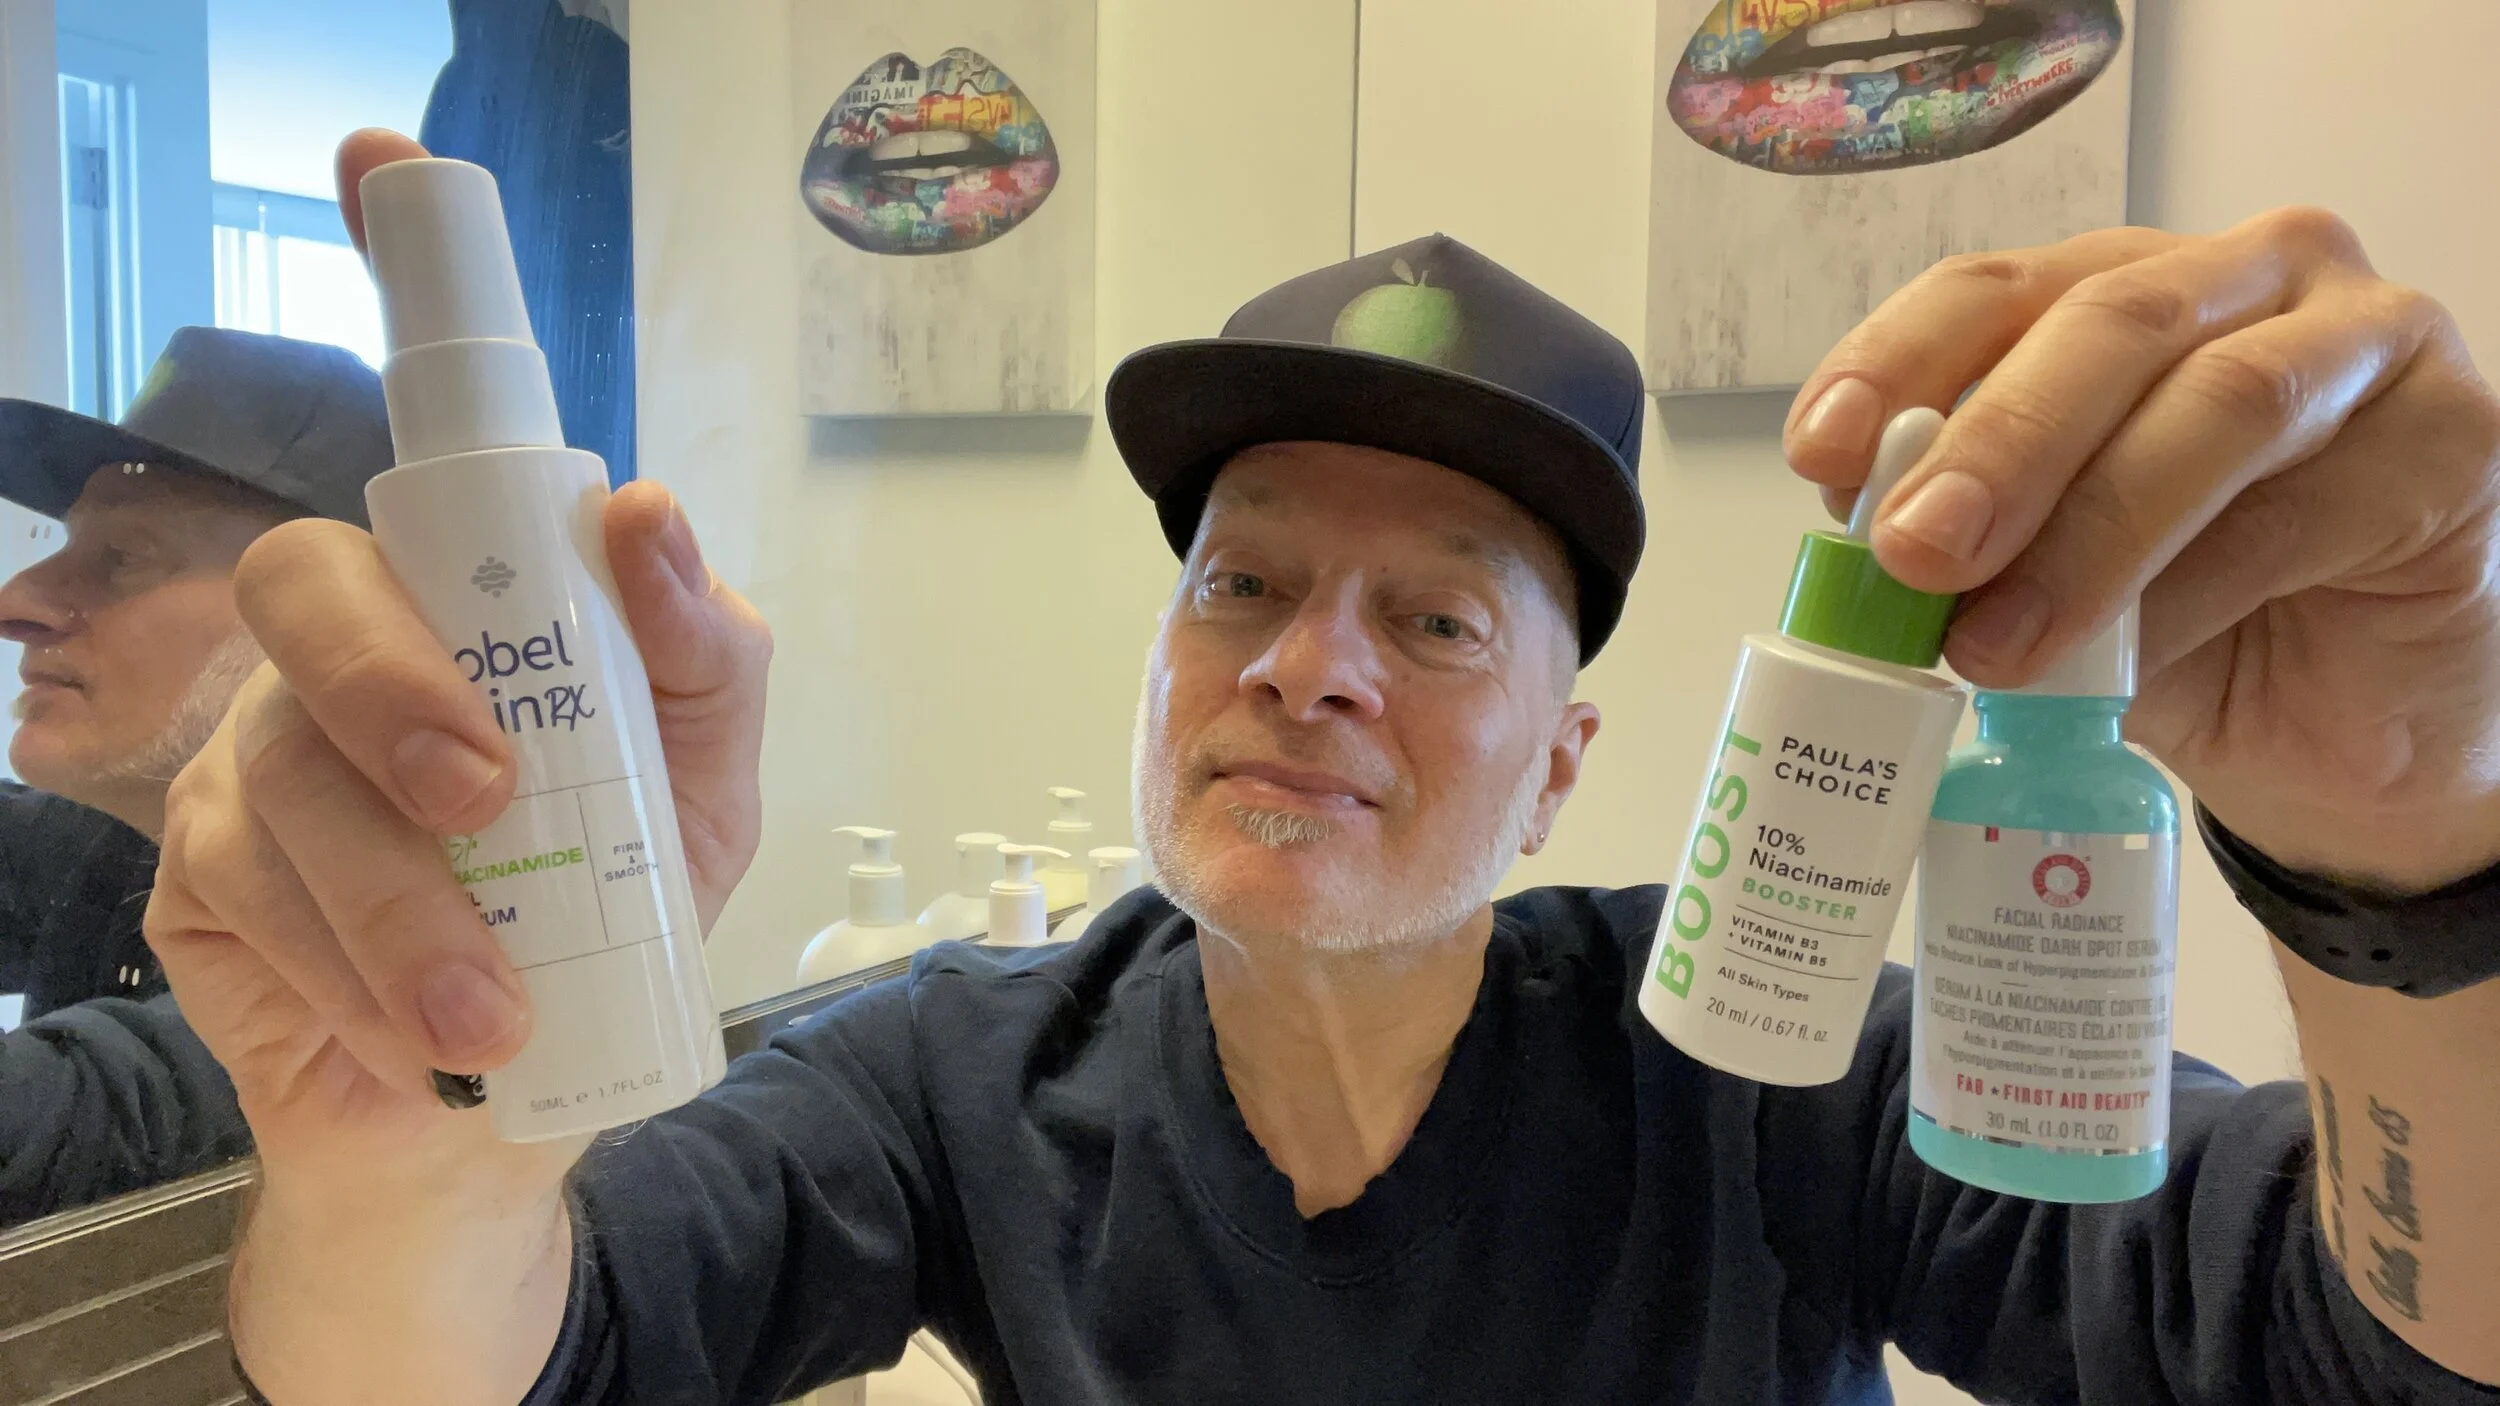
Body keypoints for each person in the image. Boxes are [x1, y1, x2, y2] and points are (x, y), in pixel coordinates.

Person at [161, 132, 2500, 1405]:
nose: (1307, 669)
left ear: (1561, 767)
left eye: (1435, 619)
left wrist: (2409, 825)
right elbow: (528, 1362)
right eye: (1243, 582)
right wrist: (407, 1158)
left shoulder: (1771, 1063)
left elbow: (2373, 1347)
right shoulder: (957, 1078)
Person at [0, 326, 395, 1225]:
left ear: (332, 620)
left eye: (124, 558)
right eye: (68, 545)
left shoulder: (390, 931)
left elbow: (121, 1108)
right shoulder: (125, 839)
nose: (17, 602)